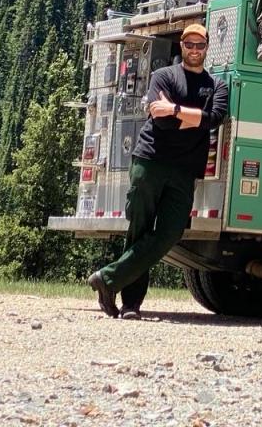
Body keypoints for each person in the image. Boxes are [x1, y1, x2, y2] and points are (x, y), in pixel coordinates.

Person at [88, 23, 228, 318]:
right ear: (181, 46)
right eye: (189, 44)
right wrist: (192, 117)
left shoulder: (216, 85)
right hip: (150, 161)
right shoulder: (162, 76)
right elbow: (158, 118)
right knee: (139, 230)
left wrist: (175, 110)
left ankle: (107, 278)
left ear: (206, 47)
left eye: (199, 45)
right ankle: (130, 304)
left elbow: (213, 119)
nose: (193, 50)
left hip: (185, 170)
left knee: (170, 233)